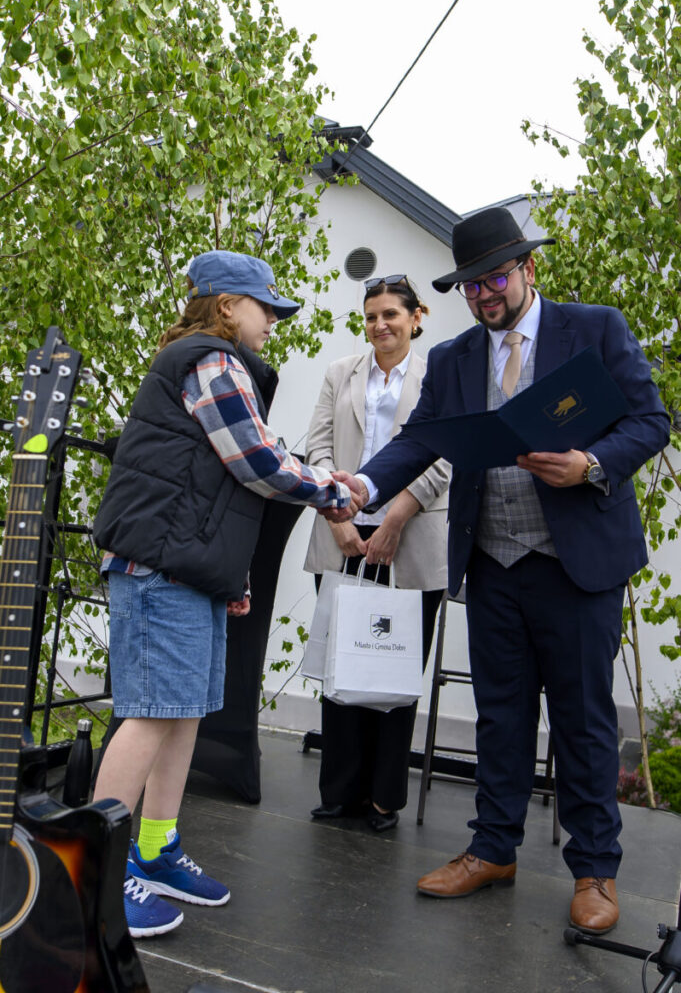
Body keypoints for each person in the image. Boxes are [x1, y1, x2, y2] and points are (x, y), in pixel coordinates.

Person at [329, 207, 670, 934]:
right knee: (502, 714)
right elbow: (418, 442)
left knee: (582, 719)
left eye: (495, 279)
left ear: (527, 270)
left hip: (576, 564)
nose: (484, 295)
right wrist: (364, 484)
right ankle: (492, 848)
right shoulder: (453, 359)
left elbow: (650, 421)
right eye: (471, 286)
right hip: (491, 561)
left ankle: (594, 869)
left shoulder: (595, 329)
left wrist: (591, 464)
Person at [92, 250, 352, 938]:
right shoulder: (212, 360)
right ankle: (93, 877)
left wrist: (231, 576)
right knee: (150, 715)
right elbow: (257, 461)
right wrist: (330, 490)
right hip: (159, 570)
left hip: (189, 570)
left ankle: (154, 851)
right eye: (266, 307)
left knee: (181, 715)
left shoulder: (215, 362)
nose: (273, 321)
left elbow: (215, 487)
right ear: (227, 305)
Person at [303, 275, 449, 831]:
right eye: (371, 316)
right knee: (342, 665)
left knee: (394, 672)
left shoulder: (440, 376)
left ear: (416, 317)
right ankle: (340, 793)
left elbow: (446, 455)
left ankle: (384, 799)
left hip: (411, 541)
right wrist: (337, 516)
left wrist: (394, 518)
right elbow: (318, 447)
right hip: (341, 535)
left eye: (391, 314)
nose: (380, 325)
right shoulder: (340, 373)